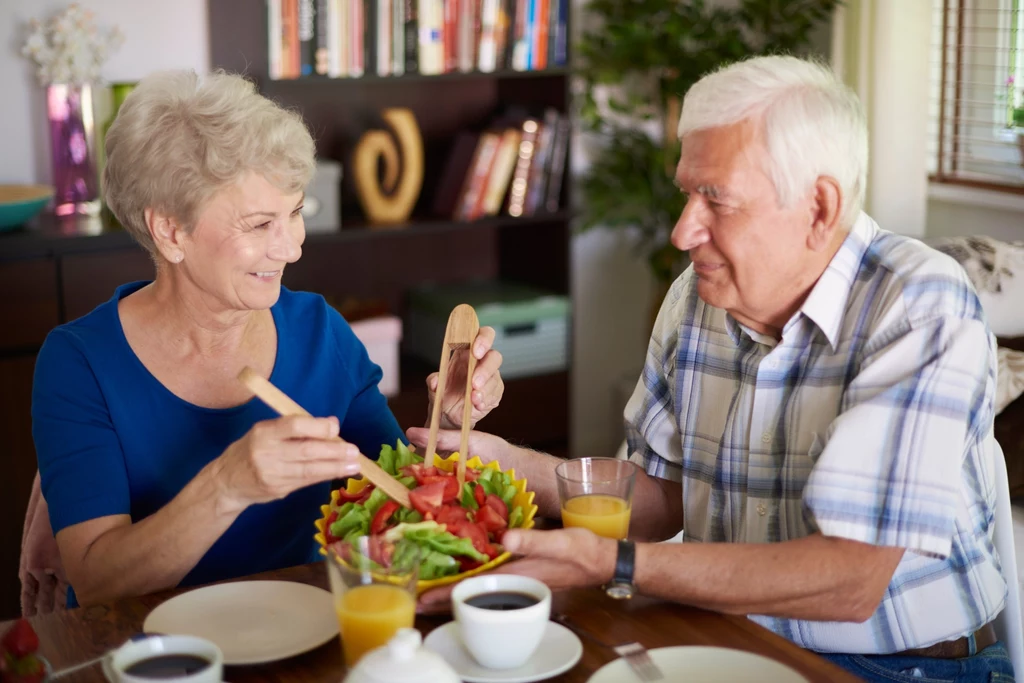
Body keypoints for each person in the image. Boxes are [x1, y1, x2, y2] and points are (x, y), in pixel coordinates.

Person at [409, 55, 1015, 682]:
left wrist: (612, 563)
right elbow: (661, 499)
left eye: (716, 199)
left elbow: (849, 582)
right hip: (723, 635)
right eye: (686, 193)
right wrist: (497, 462)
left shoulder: (917, 306)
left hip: (904, 666)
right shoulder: (696, 297)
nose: (681, 231)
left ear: (819, 207)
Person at [31, 70, 504, 608]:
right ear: (170, 231)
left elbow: (394, 501)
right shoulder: (80, 362)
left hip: (312, 633)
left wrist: (448, 419)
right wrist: (226, 487)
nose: (292, 248)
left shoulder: (317, 329)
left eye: (296, 212)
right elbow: (95, 581)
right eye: (259, 225)